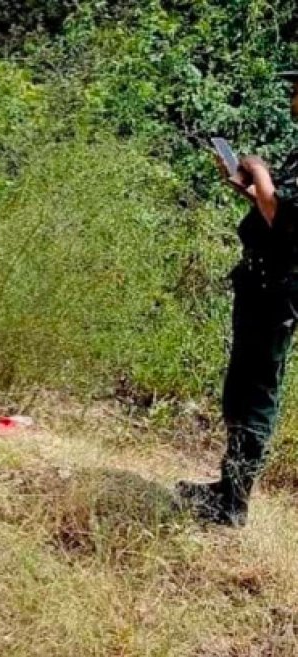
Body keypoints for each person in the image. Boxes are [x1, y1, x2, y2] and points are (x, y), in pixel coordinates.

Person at [177, 70, 298, 527]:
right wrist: (248, 187)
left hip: (278, 287)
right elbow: (277, 213)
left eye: (297, 89)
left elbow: (283, 211)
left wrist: (260, 170)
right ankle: (227, 489)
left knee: (257, 394)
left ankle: (233, 504)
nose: (292, 95)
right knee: (242, 387)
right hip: (262, 283)